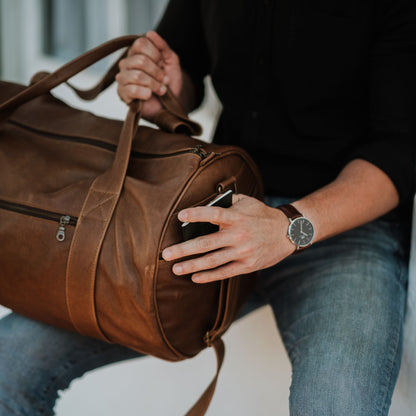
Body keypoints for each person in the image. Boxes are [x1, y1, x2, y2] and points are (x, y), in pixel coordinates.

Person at [0, 0, 415, 415]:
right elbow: (184, 69)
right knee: (9, 365)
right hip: (218, 211)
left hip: (345, 225)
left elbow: (401, 150)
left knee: (337, 406)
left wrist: (287, 227)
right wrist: (163, 90)